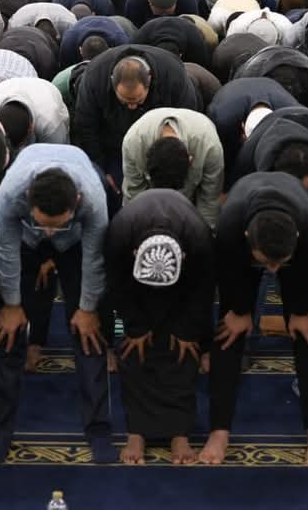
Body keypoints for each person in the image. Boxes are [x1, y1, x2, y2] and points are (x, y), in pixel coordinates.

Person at [0, 144, 113, 463]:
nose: (50, 233)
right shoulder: (11, 194)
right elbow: (5, 250)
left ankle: (99, 430)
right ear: (29, 200)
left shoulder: (93, 199)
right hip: (24, 240)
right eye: (44, 223)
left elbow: (94, 259)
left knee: (89, 332)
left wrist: (87, 308)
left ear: (76, 202)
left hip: (76, 243)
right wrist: (12, 305)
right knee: (6, 331)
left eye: (57, 224)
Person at [198, 171, 308, 466]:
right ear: (248, 238)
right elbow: (227, 275)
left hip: (300, 248)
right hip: (241, 234)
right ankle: (219, 432)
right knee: (229, 333)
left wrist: (301, 310)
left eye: (279, 264)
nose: (272, 271)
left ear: (297, 238)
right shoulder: (230, 227)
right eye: (264, 262)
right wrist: (240, 310)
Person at [105, 189, 214, 465]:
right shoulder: (119, 232)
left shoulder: (199, 238)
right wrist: (135, 326)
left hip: (183, 288)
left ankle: (179, 432)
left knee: (183, 347)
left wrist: (188, 330)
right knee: (131, 346)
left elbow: (203, 291)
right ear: (134, 253)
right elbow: (116, 286)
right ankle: (136, 432)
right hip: (133, 287)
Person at [72, 45, 199, 202]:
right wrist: (100, 169)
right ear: (112, 81)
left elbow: (187, 118)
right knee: (117, 192)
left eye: (138, 101)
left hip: (162, 144)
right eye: (125, 102)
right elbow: (85, 126)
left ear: (149, 80)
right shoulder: (94, 78)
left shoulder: (172, 75)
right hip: (114, 146)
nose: (132, 107)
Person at [120, 107, 224, 228]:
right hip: (151, 199)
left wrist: (205, 233)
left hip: (191, 200)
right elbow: (134, 194)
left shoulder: (210, 148)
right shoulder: (133, 144)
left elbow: (209, 200)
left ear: (190, 160)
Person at [0, 77, 70, 149]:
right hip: (7, 86)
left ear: (31, 127)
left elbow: (57, 156)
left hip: (44, 89)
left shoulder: (50, 123)